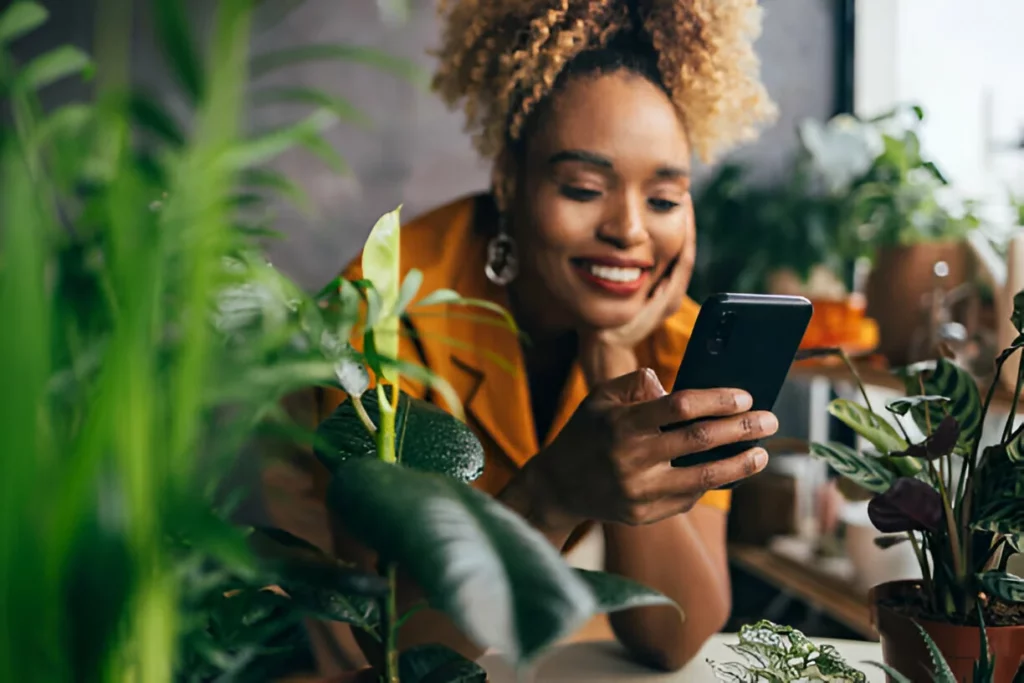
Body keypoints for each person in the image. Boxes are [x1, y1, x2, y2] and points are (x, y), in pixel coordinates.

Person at [263, 0, 779, 674]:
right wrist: (550, 495)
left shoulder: (673, 333)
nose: (629, 229)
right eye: (584, 187)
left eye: (662, 199)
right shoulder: (382, 309)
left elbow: (671, 635)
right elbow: (400, 640)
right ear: (509, 180)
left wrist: (613, 354)